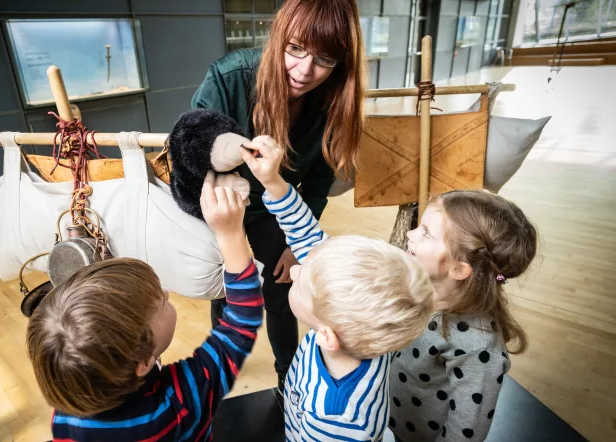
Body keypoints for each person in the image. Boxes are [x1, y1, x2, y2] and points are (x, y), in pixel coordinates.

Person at [191, 0, 367, 391]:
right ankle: (222, 369)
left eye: (325, 59)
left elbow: (319, 182)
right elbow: (194, 152)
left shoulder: (334, 97)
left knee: (282, 292)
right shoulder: (230, 77)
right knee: (227, 288)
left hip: (279, 210)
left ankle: (288, 379)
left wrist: (295, 242)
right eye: (295, 49)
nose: (305, 72)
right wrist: (224, 230)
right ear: (277, 38)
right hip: (224, 207)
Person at [25, 181, 263, 442]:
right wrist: (230, 234)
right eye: (161, 301)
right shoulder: (182, 398)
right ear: (143, 363)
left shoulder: (67, 412)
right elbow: (241, 322)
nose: (167, 294)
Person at [241, 137, 436, 440]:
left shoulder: (338, 419)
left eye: (301, 282)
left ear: (327, 336)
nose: (295, 268)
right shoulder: (365, 331)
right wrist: (273, 181)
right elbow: (307, 237)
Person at [389, 190, 539, 441]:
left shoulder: (478, 349)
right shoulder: (421, 286)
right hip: (394, 420)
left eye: (425, 233)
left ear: (458, 268)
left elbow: (465, 433)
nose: (410, 234)